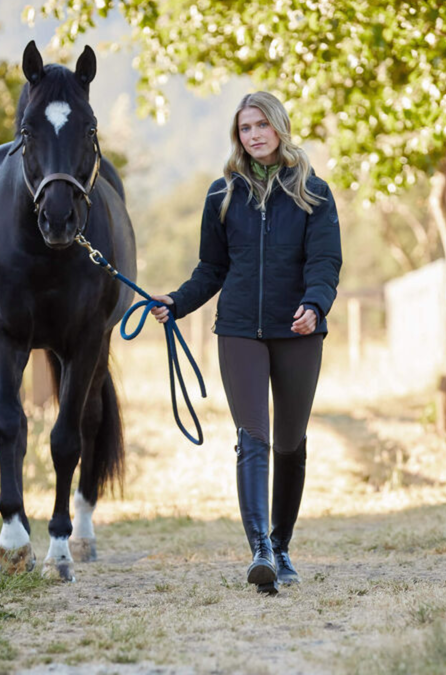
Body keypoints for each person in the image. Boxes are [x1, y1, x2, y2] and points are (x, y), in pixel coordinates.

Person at [152, 91, 342, 595]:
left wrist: (315, 305)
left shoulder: (314, 192)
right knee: (252, 436)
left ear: (279, 126)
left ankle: (281, 545)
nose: (253, 135)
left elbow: (325, 264)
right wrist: (176, 301)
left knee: (291, 442)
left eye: (261, 125)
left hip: (299, 331)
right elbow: (211, 269)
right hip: (238, 329)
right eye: (244, 128)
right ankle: (259, 549)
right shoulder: (222, 194)